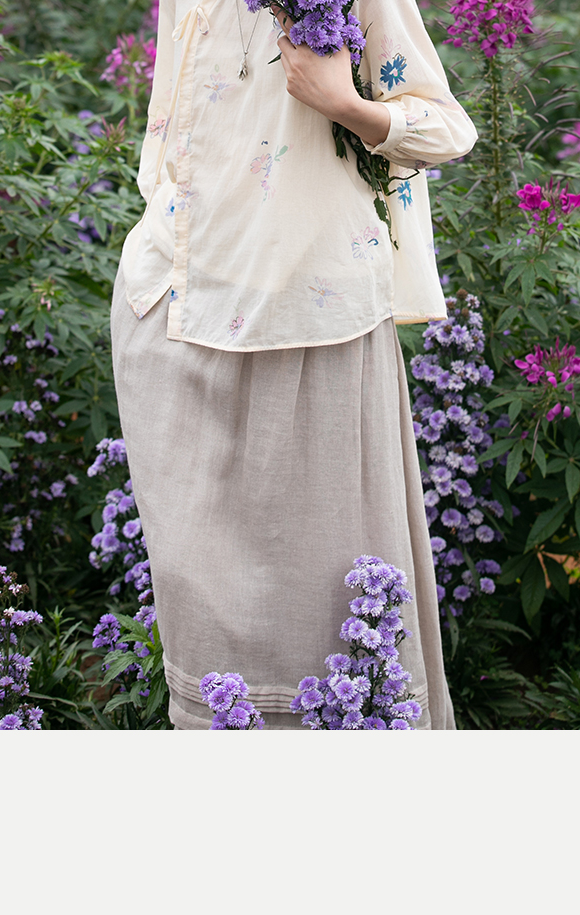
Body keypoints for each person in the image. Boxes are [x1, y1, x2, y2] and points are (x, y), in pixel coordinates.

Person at [110, 0, 477, 729]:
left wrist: (348, 105)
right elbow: (174, 128)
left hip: (314, 332)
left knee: (333, 628)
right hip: (176, 315)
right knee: (201, 616)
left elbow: (446, 128)